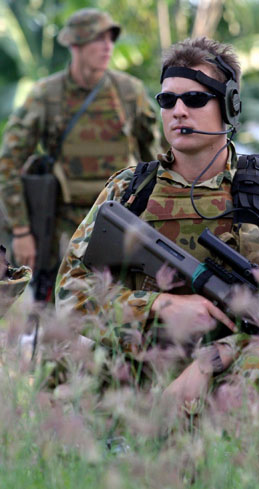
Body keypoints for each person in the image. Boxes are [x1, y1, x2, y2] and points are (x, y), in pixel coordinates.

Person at [55, 37, 259, 405]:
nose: (178, 110)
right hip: (139, 366)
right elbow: (70, 294)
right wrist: (159, 305)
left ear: (229, 107)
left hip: (231, 375)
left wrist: (209, 362)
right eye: (167, 100)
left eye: (194, 99)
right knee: (65, 365)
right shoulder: (130, 190)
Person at [0, 8, 159, 288]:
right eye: (97, 39)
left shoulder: (129, 92)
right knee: (56, 310)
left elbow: (157, 160)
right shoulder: (46, 95)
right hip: (62, 228)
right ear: (75, 44)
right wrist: (22, 231)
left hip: (121, 220)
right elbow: (8, 162)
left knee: (117, 308)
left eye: (111, 38)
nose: (107, 46)